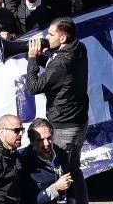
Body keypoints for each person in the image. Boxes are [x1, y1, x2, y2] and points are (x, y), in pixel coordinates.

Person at [25, 17, 89, 161]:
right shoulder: (79, 47)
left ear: (63, 38)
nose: (46, 37)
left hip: (63, 127)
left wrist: (32, 59)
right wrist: (38, 58)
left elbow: (33, 87)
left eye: (51, 35)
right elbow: (56, 69)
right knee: (74, 167)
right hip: (79, 122)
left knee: (60, 170)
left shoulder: (60, 63)